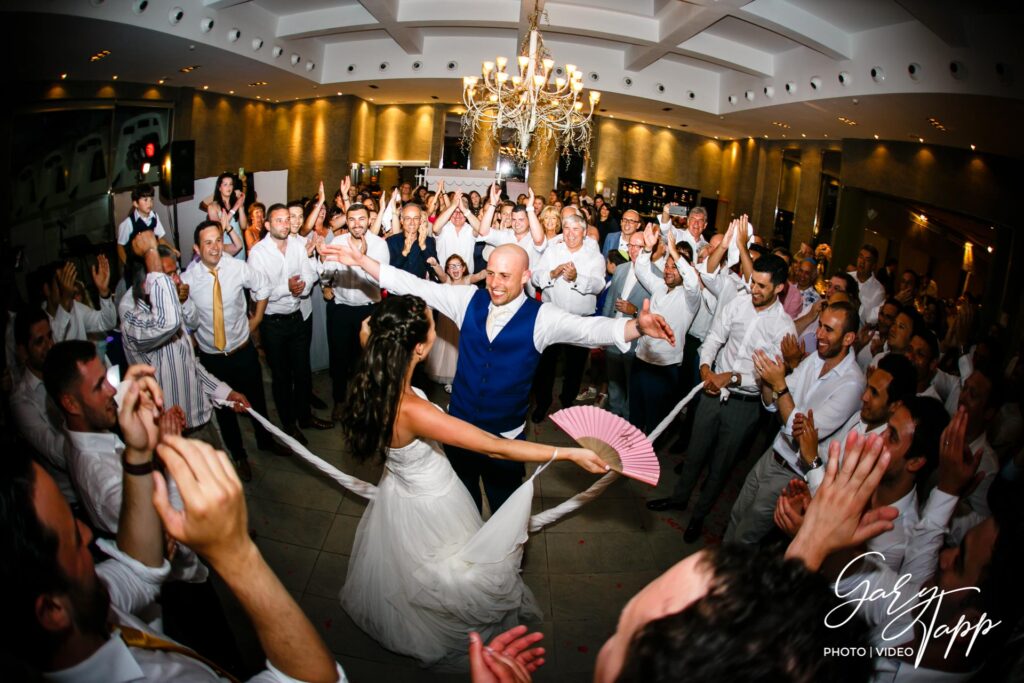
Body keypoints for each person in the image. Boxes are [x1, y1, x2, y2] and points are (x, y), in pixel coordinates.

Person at [0, 373, 344, 682]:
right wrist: (237, 556)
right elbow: (315, 677)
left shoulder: (92, 607)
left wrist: (140, 452)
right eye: (74, 539)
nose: (88, 534)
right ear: (51, 611)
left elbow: (139, 568)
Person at [339, 295, 608, 668]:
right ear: (419, 347)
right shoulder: (413, 410)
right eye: (433, 326)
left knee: (406, 568)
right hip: (433, 500)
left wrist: (380, 323)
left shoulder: (373, 371)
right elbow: (496, 448)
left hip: (399, 491)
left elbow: (368, 329)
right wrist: (569, 453)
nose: (437, 330)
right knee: (456, 575)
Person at [319, 240, 674, 514]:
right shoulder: (468, 300)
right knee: (461, 503)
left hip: (506, 435)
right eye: (490, 273)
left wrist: (634, 327)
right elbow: (413, 284)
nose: (495, 283)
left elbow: (588, 330)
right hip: (458, 429)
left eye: (505, 275)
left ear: (525, 276)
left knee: (508, 512)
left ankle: (505, 563)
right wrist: (363, 262)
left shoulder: (543, 317)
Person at [647, 254, 795, 543]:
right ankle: (679, 498)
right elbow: (714, 338)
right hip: (712, 391)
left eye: (763, 286)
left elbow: (773, 376)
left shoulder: (783, 327)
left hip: (745, 405)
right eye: (754, 283)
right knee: (695, 453)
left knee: (720, 465)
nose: (754, 290)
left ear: (779, 288)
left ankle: (699, 516)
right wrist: (705, 368)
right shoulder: (738, 304)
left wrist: (734, 377)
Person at [724, 300, 865, 544]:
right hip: (773, 454)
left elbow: (801, 432)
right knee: (736, 515)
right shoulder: (815, 359)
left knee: (746, 537)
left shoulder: (852, 384)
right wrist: (767, 379)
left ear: (849, 338)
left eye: (828, 330)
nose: (818, 334)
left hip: (793, 474)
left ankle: (726, 580)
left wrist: (779, 385)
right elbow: (773, 404)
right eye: (820, 325)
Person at [119, 232, 254, 480]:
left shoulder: (169, 305)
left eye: (175, 272)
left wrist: (225, 393)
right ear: (146, 282)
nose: (178, 279)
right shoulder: (133, 318)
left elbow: (190, 365)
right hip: (170, 436)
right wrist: (150, 252)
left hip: (201, 421)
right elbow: (167, 323)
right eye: (168, 274)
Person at [181, 220, 287, 462]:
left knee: (257, 402)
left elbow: (263, 286)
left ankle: (266, 441)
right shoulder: (187, 279)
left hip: (243, 351)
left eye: (218, 240)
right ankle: (239, 457)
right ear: (197, 248)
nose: (215, 247)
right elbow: (188, 320)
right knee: (225, 411)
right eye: (208, 242)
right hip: (212, 359)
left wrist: (258, 317)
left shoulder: (237, 268)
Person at [247, 204, 332, 444]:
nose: (285, 224)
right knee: (282, 377)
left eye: (287, 220)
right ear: (267, 225)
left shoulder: (297, 245)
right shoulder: (259, 253)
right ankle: (288, 425)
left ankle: (305, 416)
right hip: (272, 324)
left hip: (296, 319)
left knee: (303, 371)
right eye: (279, 220)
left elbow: (309, 272)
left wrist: (303, 285)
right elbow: (257, 292)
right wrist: (287, 288)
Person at [530, 213, 608, 423]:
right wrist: (552, 274)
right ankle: (543, 402)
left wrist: (577, 279)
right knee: (546, 364)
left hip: (578, 321)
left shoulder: (594, 257)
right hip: (552, 318)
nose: (571, 234)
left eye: (576, 229)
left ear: (584, 232)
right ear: (562, 231)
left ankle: (567, 402)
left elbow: (599, 284)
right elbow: (536, 277)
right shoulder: (552, 251)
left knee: (575, 367)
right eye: (566, 229)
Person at [320, 203, 391, 421]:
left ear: (369, 220)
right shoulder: (338, 242)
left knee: (367, 361)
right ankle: (340, 401)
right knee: (339, 359)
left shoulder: (379, 245)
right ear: (347, 221)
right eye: (352, 219)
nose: (356, 224)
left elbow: (379, 279)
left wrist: (363, 260)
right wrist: (326, 284)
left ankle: (366, 405)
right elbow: (327, 272)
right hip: (341, 309)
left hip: (369, 311)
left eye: (361, 219)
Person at [628, 225, 701, 434]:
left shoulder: (690, 299)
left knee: (654, 425)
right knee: (635, 417)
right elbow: (641, 269)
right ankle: (629, 459)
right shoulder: (659, 286)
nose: (669, 270)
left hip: (664, 368)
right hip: (641, 360)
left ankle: (646, 464)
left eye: (674, 267)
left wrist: (676, 253)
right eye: (668, 265)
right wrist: (648, 249)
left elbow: (694, 283)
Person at [600, 233, 650, 419]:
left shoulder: (655, 275)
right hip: (613, 335)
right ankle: (614, 419)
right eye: (631, 246)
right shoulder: (621, 269)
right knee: (614, 383)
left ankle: (628, 425)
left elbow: (655, 313)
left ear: (648, 248)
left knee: (632, 386)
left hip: (636, 341)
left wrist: (635, 310)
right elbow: (610, 301)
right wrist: (603, 332)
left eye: (639, 246)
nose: (633, 250)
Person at [115, 184, 176, 266]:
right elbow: (120, 247)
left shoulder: (155, 216)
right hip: (137, 265)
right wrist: (128, 266)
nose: (150, 203)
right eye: (145, 200)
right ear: (136, 203)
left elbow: (160, 238)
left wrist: (172, 250)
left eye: (151, 199)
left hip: (152, 261)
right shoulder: (128, 223)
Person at [201, 172, 246, 259]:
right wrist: (236, 207)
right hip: (226, 247)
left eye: (231, 184)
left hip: (240, 245)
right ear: (219, 188)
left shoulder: (236, 202)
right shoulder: (213, 207)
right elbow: (219, 229)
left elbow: (243, 226)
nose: (229, 187)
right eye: (225, 184)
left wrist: (240, 206)